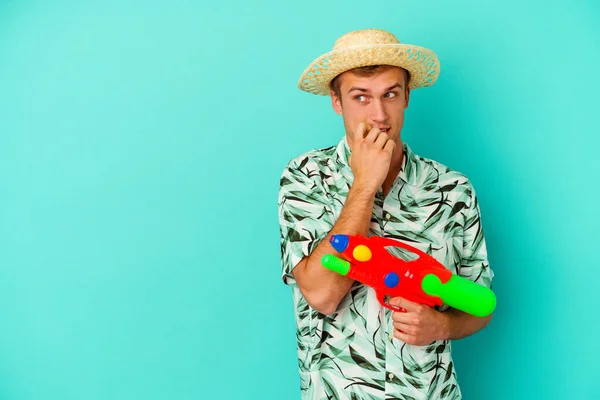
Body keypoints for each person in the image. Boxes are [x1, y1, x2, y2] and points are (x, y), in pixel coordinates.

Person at [277, 28, 495, 400]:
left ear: (407, 96)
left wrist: (440, 324)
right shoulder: (304, 177)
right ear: (336, 101)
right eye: (361, 97)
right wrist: (364, 184)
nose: (379, 115)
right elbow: (322, 294)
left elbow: (480, 304)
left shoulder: (453, 189)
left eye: (390, 94)